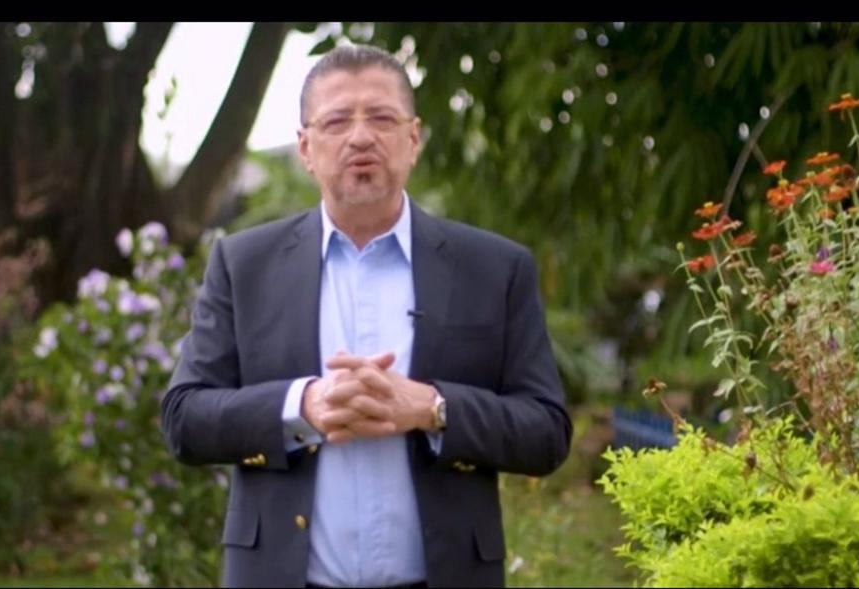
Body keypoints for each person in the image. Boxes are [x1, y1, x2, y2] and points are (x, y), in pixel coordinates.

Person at [162, 43, 572, 588]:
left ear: (413, 139)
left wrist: (432, 408)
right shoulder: (243, 264)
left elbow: (546, 432)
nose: (360, 137)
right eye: (336, 122)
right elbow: (184, 418)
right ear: (306, 148)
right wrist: (302, 406)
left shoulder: (494, 268)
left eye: (381, 118)